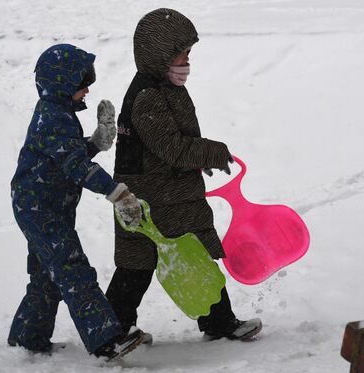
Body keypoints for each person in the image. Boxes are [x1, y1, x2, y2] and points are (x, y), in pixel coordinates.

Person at [107, 8, 262, 343]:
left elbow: (171, 145)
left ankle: (217, 321)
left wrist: (198, 160)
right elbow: (172, 147)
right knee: (140, 265)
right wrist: (211, 152)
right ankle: (112, 329)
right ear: (159, 56)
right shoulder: (148, 96)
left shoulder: (162, 87)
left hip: (166, 193)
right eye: (182, 54)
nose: (187, 61)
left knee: (191, 255)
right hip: (151, 199)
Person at [8, 43, 145, 360]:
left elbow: (65, 155)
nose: (86, 91)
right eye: (82, 85)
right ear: (63, 83)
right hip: (41, 209)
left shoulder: (57, 114)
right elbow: (76, 166)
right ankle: (105, 341)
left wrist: (95, 142)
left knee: (47, 275)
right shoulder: (54, 118)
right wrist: (118, 193)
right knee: (73, 271)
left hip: (42, 206)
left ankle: (28, 339)